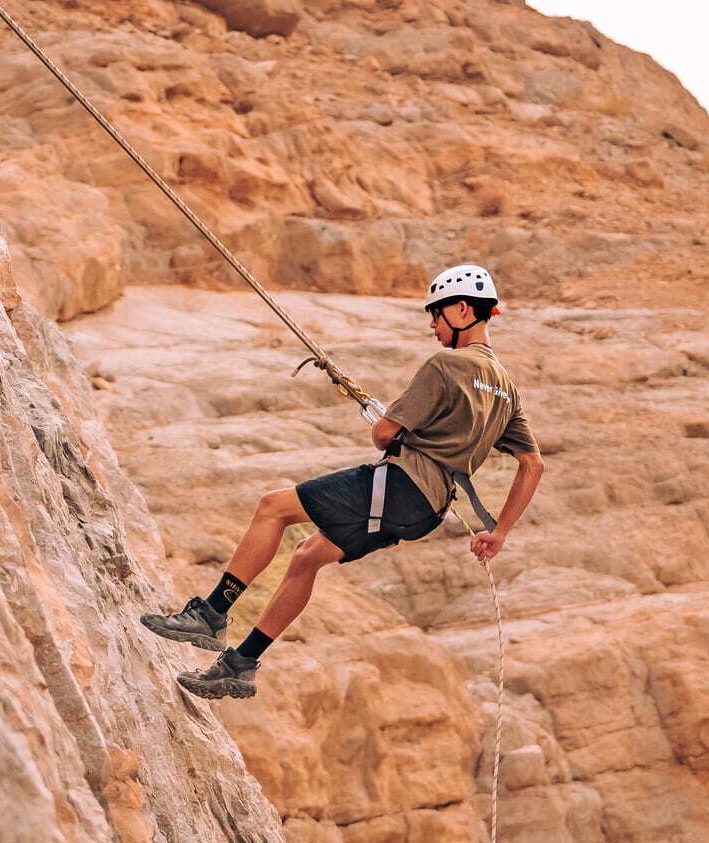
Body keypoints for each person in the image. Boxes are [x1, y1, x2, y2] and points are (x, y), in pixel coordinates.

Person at [141, 263, 544, 699]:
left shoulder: (447, 364)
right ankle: (241, 664)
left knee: (272, 508)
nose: (432, 324)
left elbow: (383, 434)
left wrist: (392, 425)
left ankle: (211, 613)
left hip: (400, 486)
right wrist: (499, 531)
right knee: (307, 556)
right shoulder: (507, 387)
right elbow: (533, 465)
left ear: (463, 310)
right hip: (424, 512)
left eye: (437, 313)